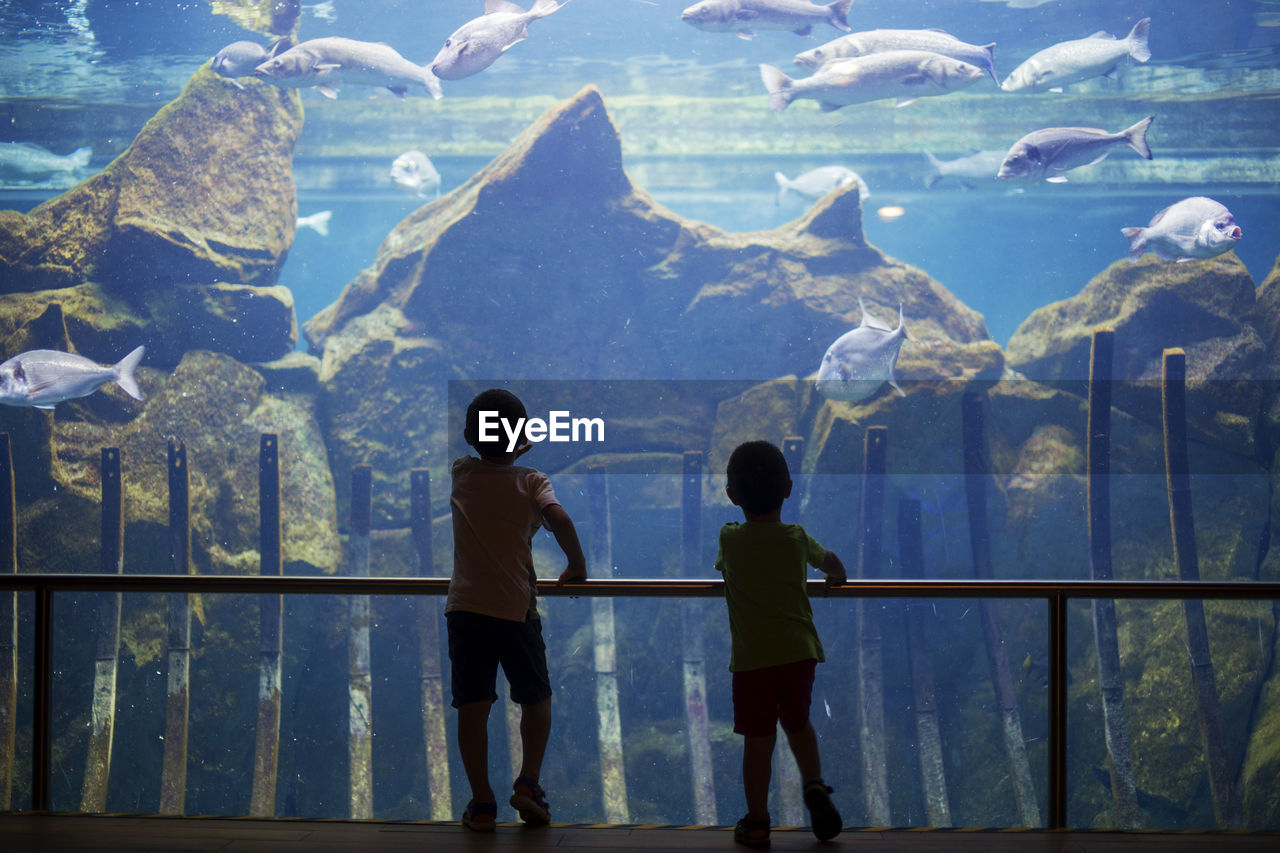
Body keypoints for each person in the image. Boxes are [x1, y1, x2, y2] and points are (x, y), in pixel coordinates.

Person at [446, 388, 587, 831]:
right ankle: (528, 783)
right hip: (514, 610)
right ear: (523, 436)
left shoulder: (462, 473)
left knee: (473, 706)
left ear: (470, 435)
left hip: (466, 610)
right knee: (536, 698)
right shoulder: (532, 481)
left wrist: (509, 442)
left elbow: (485, 453)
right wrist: (576, 565)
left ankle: (482, 802)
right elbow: (559, 519)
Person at [715, 440, 847, 848]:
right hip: (798, 655)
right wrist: (834, 579)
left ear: (731, 495)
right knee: (798, 724)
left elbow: (724, 567)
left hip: (754, 661)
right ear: (788, 488)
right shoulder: (795, 538)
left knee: (758, 741)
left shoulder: (731, 539)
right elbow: (835, 567)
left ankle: (757, 821)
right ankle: (814, 784)